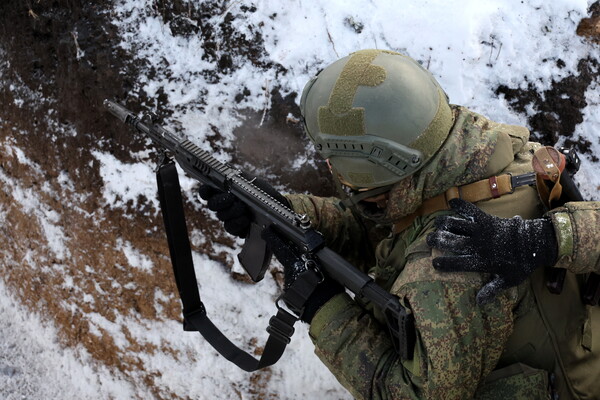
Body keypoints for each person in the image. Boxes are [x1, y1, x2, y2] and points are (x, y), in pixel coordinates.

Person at [200, 49, 600, 399]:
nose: (331, 170)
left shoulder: (444, 270)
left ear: (381, 169)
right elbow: (397, 232)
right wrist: (287, 212)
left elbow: (411, 395)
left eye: (335, 164)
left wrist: (324, 308)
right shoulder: (486, 157)